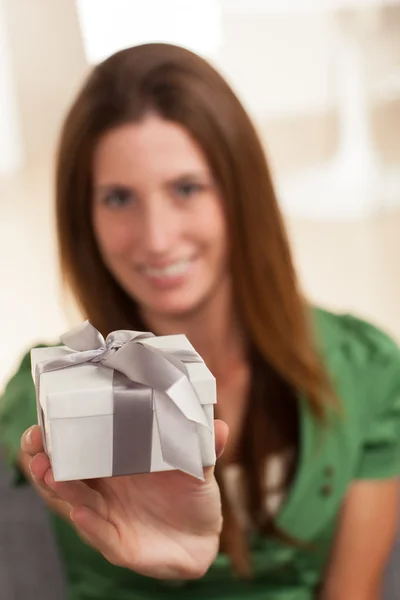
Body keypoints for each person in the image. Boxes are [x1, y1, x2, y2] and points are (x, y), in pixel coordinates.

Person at [1, 42, 400, 600]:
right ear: (83, 216)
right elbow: (47, 477)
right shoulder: (42, 395)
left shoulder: (367, 370)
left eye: (186, 189)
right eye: (119, 198)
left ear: (241, 192)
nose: (158, 239)